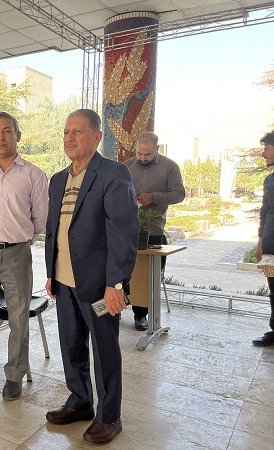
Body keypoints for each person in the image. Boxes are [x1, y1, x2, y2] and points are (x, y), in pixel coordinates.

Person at [44, 109, 138, 444]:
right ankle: (80, 400)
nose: (70, 138)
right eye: (66, 131)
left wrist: (116, 284)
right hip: (65, 283)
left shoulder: (113, 174)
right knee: (71, 344)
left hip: (99, 287)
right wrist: (52, 273)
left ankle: (109, 415)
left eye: (78, 131)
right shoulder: (58, 179)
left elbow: (123, 233)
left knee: (104, 349)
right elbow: (55, 230)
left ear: (97, 137)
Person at [0, 112, 48, 401]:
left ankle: (14, 374)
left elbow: (40, 219)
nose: (0, 137)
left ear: (18, 135)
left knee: (18, 316)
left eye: (7, 131)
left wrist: (21, 239)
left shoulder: (34, 175)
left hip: (17, 253)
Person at [124, 131, 185, 330]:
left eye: (147, 155)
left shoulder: (170, 167)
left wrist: (154, 196)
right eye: (139, 154)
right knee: (121, 270)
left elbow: (179, 194)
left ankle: (141, 314)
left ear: (157, 149)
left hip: (153, 229)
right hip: (124, 228)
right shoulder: (127, 166)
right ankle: (117, 306)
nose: (142, 158)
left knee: (148, 275)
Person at [253, 131, 274, 346]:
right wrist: (260, 243)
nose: (263, 154)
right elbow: (264, 213)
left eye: (267, 149)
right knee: (273, 290)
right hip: (271, 244)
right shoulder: (270, 180)